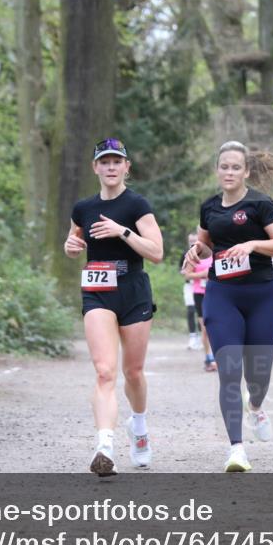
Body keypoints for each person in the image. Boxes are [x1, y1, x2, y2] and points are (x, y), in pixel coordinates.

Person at [182, 141, 273, 472]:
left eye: (235, 167)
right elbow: (205, 245)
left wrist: (252, 244)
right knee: (229, 372)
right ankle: (236, 449)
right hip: (222, 294)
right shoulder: (209, 207)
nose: (228, 172)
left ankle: (256, 405)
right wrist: (196, 253)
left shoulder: (260, 203)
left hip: (261, 296)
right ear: (217, 170)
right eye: (223, 167)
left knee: (258, 377)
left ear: (246, 171)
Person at [65, 138, 164, 476]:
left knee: (132, 372)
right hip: (97, 291)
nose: (110, 167)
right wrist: (71, 246)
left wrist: (122, 231)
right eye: (104, 162)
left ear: (126, 167)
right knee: (105, 370)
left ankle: (138, 427)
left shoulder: (137, 205)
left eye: (116, 162)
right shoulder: (83, 207)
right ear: (95, 167)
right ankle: (104, 446)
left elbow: (156, 252)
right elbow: (74, 242)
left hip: (133, 289)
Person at [181, 236, 216, 371]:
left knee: (219, 326)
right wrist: (203, 274)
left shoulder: (218, 250)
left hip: (217, 292)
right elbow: (187, 275)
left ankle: (220, 357)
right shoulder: (195, 252)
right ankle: (209, 358)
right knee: (206, 328)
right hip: (200, 294)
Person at [182, 232, 202, 350]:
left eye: (194, 240)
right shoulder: (186, 254)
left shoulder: (205, 253)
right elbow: (182, 269)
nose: (192, 243)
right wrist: (186, 272)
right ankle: (193, 336)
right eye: (190, 241)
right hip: (190, 286)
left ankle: (201, 335)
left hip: (202, 286)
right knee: (190, 310)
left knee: (202, 312)